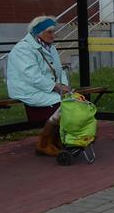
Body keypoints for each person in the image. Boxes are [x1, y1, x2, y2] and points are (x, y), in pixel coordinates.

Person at [7, 15, 71, 156]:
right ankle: (44, 143)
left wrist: (63, 85)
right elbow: (31, 76)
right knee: (62, 105)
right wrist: (57, 87)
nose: (53, 35)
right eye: (50, 32)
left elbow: (59, 70)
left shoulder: (50, 47)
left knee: (73, 101)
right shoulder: (23, 49)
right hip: (27, 89)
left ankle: (56, 140)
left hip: (46, 87)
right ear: (38, 32)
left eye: (54, 32)